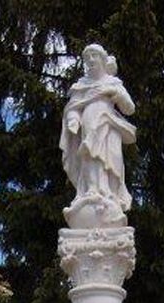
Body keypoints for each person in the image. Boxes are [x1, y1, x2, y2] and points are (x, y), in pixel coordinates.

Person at [60, 43, 136, 222]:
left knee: (112, 159)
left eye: (94, 56)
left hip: (109, 126)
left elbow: (129, 108)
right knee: (90, 156)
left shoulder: (113, 83)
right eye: (87, 57)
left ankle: (111, 195)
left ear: (102, 59)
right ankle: (92, 190)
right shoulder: (81, 85)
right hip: (88, 125)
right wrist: (73, 119)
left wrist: (114, 92)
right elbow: (73, 107)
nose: (91, 60)